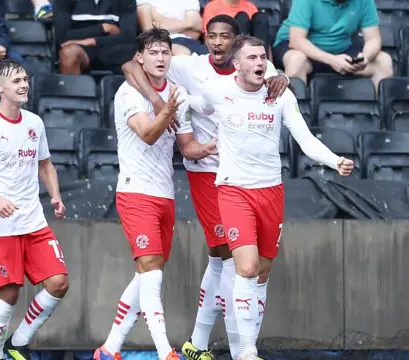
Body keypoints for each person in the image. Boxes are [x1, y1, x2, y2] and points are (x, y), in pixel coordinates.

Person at [121, 15, 289, 360]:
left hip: (244, 178)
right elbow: (129, 65)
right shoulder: (191, 66)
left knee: (221, 260)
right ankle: (238, 349)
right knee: (231, 258)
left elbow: (279, 84)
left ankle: (198, 344)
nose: (216, 42)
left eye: (224, 37)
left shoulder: (255, 66)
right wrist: (156, 101)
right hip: (207, 173)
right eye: (211, 36)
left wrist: (283, 76)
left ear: (235, 42)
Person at [199, 35, 355, 360]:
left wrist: (334, 160)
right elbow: (190, 106)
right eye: (251, 58)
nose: (258, 63)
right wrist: (181, 130)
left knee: (262, 272)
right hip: (233, 190)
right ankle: (246, 351)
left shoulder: (279, 96)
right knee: (247, 266)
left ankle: (248, 346)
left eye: (262, 57)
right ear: (236, 64)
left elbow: (305, 139)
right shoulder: (218, 91)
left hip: (271, 191)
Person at [94, 28, 217, 360]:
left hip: (165, 193)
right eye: (154, 52)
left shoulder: (176, 91)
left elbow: (187, 146)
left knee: (146, 274)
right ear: (141, 57)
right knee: (152, 271)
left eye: (166, 52)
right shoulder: (128, 94)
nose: (161, 58)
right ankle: (166, 351)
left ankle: (109, 349)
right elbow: (148, 134)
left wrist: (211, 148)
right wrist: (167, 109)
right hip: (135, 191)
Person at [0, 60, 69, 360]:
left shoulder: (34, 123)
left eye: (25, 79)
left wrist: (56, 196)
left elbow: (45, 164)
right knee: (9, 293)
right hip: (0, 224)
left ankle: (18, 342)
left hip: (33, 220)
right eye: (16, 81)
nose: (23, 85)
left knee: (59, 282)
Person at [272, 0, 393, 88]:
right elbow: (297, 40)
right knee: (296, 60)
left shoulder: (364, 2)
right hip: (301, 49)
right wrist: (332, 60)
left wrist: (365, 57)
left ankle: (378, 119)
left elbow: (373, 38)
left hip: (340, 48)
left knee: (384, 62)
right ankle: (296, 116)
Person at [54, 0, 137, 74]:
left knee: (143, 55)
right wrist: (102, 28)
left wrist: (92, 41)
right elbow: (63, 37)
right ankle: (72, 91)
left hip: (114, 47)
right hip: (81, 49)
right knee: (69, 52)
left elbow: (129, 37)